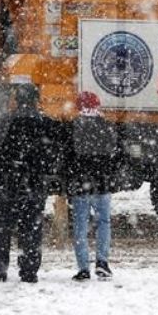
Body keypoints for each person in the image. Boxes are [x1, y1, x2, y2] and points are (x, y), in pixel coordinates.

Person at [0, 85, 50, 283]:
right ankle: (29, 270)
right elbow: (50, 156)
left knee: (1, 228)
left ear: (17, 99)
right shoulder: (45, 123)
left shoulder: (4, 122)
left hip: (7, 183)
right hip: (34, 183)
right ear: (36, 100)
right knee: (31, 228)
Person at [64, 91, 120, 281]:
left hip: (81, 184)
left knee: (80, 225)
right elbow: (114, 155)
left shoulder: (73, 126)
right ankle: (102, 263)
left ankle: (83, 268)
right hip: (102, 183)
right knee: (103, 223)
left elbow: (67, 158)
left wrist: (70, 178)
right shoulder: (107, 126)